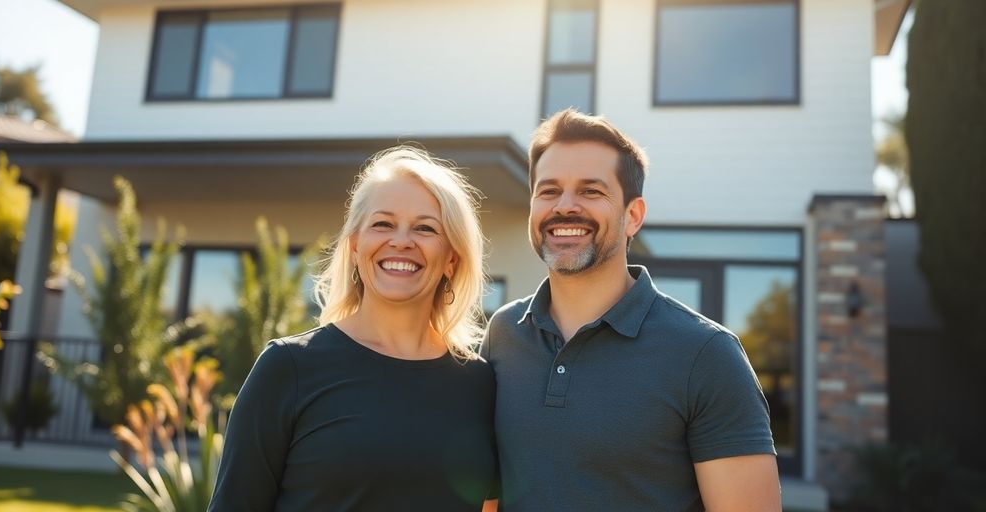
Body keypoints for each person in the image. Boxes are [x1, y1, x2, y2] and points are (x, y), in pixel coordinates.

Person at [482, 109, 781, 511]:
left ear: (633, 216)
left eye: (591, 191)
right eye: (549, 191)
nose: (565, 206)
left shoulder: (707, 354)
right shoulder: (503, 334)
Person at [209, 146, 498, 511]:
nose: (401, 241)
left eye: (425, 228)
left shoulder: (480, 383)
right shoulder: (288, 368)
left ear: (452, 260)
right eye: (383, 224)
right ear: (356, 245)